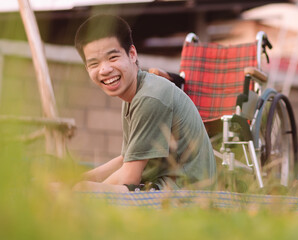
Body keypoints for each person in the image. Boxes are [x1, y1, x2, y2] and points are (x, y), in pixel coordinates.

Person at [72, 14, 216, 192]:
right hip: (163, 185)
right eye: (94, 63)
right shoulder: (134, 93)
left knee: (82, 192)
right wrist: (79, 179)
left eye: (113, 58)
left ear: (132, 54)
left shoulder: (149, 97)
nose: (105, 70)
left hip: (186, 193)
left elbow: (129, 177)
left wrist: (82, 189)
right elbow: (127, 158)